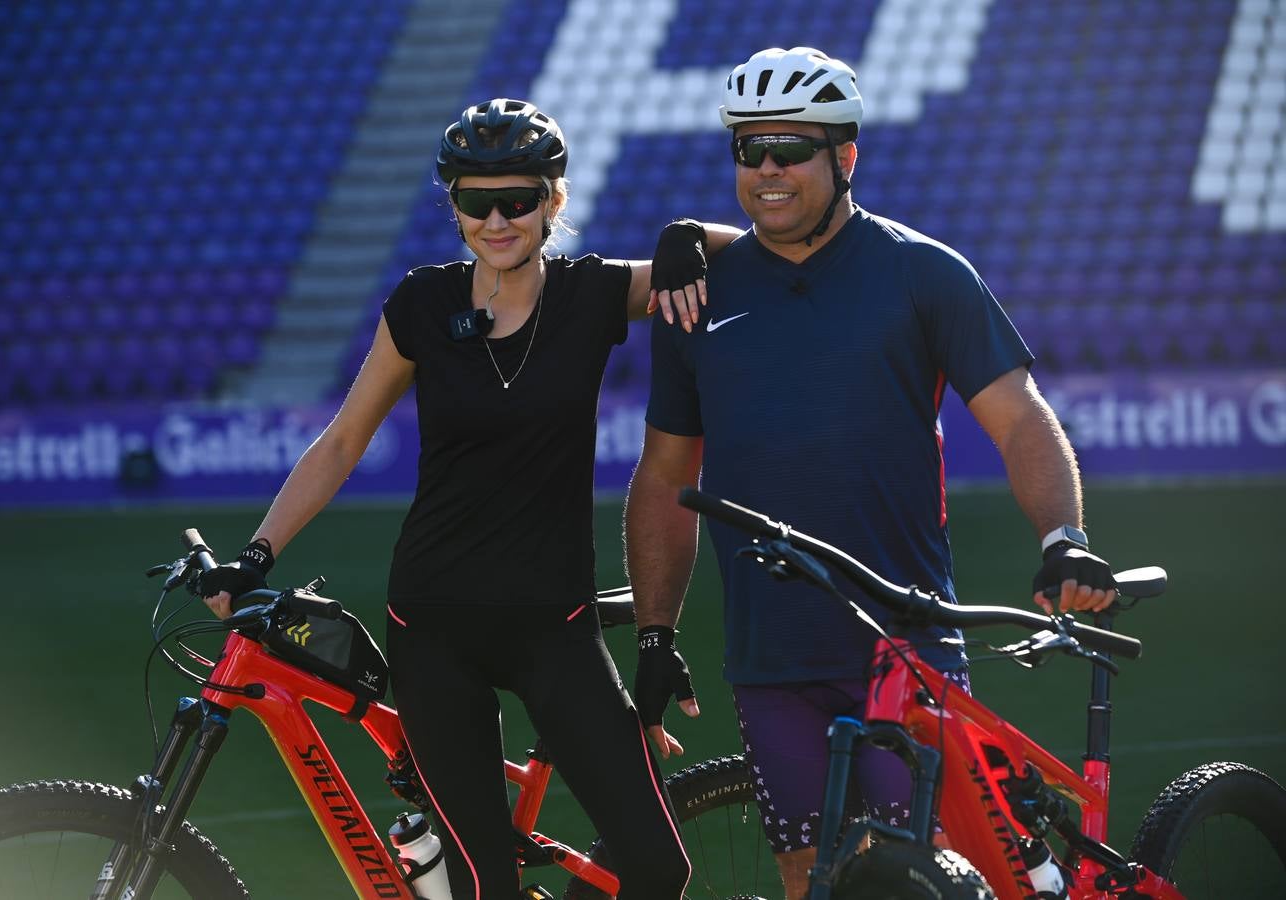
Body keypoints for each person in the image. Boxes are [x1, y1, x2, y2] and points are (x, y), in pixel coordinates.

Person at [198, 97, 740, 899]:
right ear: (451, 203)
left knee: (658, 866)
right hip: (434, 624)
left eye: (518, 199)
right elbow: (343, 439)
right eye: (475, 200)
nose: (497, 219)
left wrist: (689, 234)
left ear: (554, 201)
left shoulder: (593, 295)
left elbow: (754, 252)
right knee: (482, 883)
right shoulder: (422, 303)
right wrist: (256, 554)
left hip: (555, 625)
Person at [624, 48, 1118, 899]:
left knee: (917, 878)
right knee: (810, 880)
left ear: (844, 157)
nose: (768, 169)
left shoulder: (923, 272)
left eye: (792, 149)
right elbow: (666, 475)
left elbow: (1021, 420)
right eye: (750, 150)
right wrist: (656, 633)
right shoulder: (696, 297)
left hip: (905, 644)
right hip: (768, 650)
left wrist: (1065, 539)